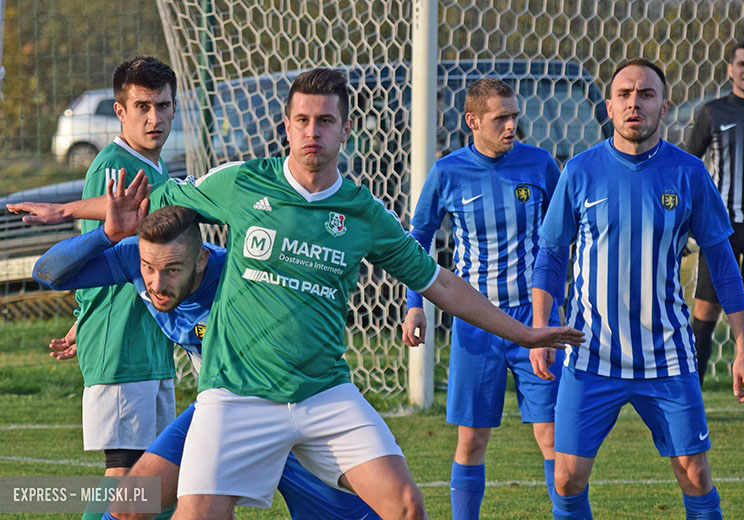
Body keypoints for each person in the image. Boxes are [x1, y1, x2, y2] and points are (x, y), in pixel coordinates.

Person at [10, 68, 583, 519]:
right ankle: (32, 498)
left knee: (406, 506)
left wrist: (526, 330)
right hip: (233, 397)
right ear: (286, 125)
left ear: (345, 129)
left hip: (321, 395)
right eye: (302, 120)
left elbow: (440, 283)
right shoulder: (234, 187)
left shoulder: (362, 213)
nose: (313, 132)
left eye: (326, 121)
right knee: (136, 501)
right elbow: (86, 248)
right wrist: (78, 216)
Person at [33, 180, 381, 520]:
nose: (156, 283)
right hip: (215, 407)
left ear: (200, 261)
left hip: (269, 403)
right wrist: (106, 236)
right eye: (148, 269)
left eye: (172, 270)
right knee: (133, 502)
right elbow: (49, 274)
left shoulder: (238, 277)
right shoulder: (134, 258)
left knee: (335, 510)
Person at [531, 58, 744, 519]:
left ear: (665, 106)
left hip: (666, 356)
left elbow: (722, 262)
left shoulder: (690, 173)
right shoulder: (579, 171)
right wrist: (541, 326)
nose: (635, 103)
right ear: (611, 107)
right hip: (590, 353)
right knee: (566, 476)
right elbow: (551, 255)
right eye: (625, 94)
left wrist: (742, 346)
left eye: (646, 94)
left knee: (694, 473)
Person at [401, 77, 563, 519]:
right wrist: (416, 305)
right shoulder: (448, 172)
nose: (512, 126)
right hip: (475, 323)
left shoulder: (541, 165)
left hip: (536, 322)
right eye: (501, 119)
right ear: (472, 121)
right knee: (471, 439)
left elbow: (564, 238)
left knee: (552, 436)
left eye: (514, 116)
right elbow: (419, 238)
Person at [71, 55, 179, 501]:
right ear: (120, 111)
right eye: (143, 107)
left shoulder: (156, 169)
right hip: (121, 344)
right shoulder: (113, 168)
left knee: (154, 481)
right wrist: (88, 317)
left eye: (164, 106)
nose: (155, 118)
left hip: (150, 343)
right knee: (125, 474)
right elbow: (94, 253)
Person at [685, 39, 744, 418]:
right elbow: (688, 164)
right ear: (730, 69)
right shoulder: (712, 112)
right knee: (705, 310)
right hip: (718, 229)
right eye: (741, 64)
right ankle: (690, 395)